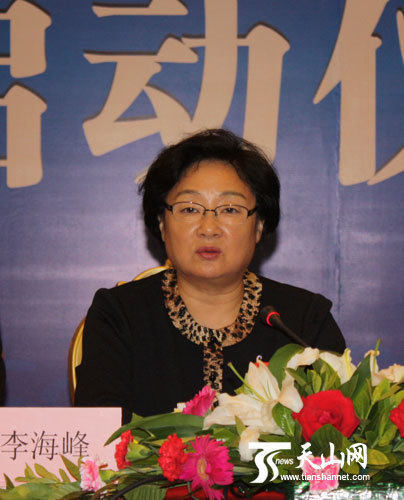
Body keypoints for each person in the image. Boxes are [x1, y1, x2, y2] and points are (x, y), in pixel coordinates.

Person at [75, 129, 345, 423]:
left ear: (259, 225)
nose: (209, 228)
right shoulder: (120, 315)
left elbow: (337, 435)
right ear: (162, 223)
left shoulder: (303, 320)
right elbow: (100, 432)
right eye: (190, 209)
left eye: (230, 209)